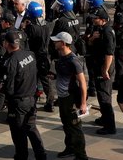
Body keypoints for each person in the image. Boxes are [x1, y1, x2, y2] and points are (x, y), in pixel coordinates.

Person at [1, 30, 46, 160]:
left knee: (18, 133)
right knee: (32, 129)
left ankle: (21, 156)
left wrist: (2, 92)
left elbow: (9, 88)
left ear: (6, 44)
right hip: (31, 98)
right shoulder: (30, 55)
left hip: (18, 102)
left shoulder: (11, 62)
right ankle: (41, 155)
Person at [51, 31, 88, 160]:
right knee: (66, 125)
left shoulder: (73, 60)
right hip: (62, 98)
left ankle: (81, 155)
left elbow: (83, 83)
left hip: (70, 98)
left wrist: (83, 103)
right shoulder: (61, 56)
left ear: (63, 43)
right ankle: (70, 148)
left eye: (56, 41)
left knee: (75, 128)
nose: (54, 43)